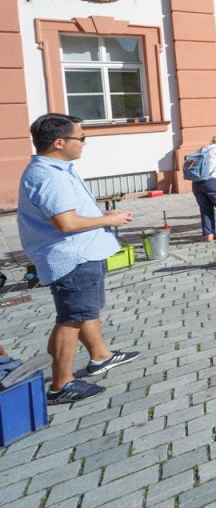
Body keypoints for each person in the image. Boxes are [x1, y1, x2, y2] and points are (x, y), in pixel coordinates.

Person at [18, 113, 138, 404]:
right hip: (71, 257)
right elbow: (67, 223)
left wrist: (101, 217)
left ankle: (100, 356)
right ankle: (61, 384)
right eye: (81, 137)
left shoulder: (57, 169)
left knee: (84, 311)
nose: (84, 142)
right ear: (60, 142)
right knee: (71, 319)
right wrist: (109, 219)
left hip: (82, 254)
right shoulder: (49, 177)